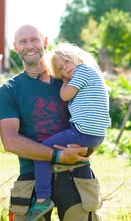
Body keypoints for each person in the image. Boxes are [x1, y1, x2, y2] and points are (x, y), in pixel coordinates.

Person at [0, 24, 101, 221]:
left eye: (34, 39)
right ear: (15, 46)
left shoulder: (69, 80)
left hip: (75, 174)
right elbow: (10, 141)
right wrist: (58, 155)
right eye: (23, 41)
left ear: (45, 42)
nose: (29, 46)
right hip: (31, 177)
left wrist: (88, 149)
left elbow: (95, 114)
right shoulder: (10, 90)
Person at [26, 43, 111, 221]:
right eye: (60, 69)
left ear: (76, 57)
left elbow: (64, 96)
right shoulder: (92, 73)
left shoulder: (82, 71)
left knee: (42, 152)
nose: (65, 68)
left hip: (81, 132)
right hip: (96, 135)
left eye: (66, 61)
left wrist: (64, 81)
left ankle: (42, 197)